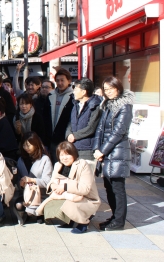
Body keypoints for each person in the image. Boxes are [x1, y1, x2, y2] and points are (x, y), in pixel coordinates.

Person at [93, 76, 134, 231]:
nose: (108, 92)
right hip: (107, 153)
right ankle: (114, 216)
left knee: (117, 188)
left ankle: (119, 221)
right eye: (106, 89)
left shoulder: (125, 106)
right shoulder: (107, 105)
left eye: (111, 88)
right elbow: (100, 129)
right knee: (108, 187)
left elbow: (118, 132)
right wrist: (98, 149)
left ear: (118, 88)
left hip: (117, 152)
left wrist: (102, 150)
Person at [36, 142, 100, 234]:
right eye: (61, 155)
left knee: (70, 204)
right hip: (66, 195)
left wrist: (65, 187)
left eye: (67, 154)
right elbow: (51, 182)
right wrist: (54, 185)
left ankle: (83, 223)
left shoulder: (82, 164)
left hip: (86, 198)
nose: (64, 158)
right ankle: (69, 220)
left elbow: (85, 188)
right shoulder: (58, 165)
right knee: (50, 205)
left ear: (74, 154)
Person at [14, 132, 52, 225]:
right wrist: (21, 184)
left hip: (41, 195)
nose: (26, 148)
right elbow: (18, 181)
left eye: (28, 145)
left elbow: (48, 182)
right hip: (26, 195)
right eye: (24, 145)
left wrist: (32, 180)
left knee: (34, 207)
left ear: (36, 144)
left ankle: (39, 213)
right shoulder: (21, 159)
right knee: (18, 205)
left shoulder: (44, 159)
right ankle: (31, 212)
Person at [66, 78, 102, 160]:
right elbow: (70, 123)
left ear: (83, 92)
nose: (73, 92)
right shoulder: (75, 104)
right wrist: (68, 134)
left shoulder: (95, 106)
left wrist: (75, 136)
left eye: (76, 89)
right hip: (73, 147)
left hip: (87, 149)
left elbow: (91, 128)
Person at [43, 68, 74, 162]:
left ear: (69, 81)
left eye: (62, 80)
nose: (60, 83)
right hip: (51, 139)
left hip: (65, 138)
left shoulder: (73, 97)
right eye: (57, 80)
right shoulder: (50, 96)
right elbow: (45, 118)